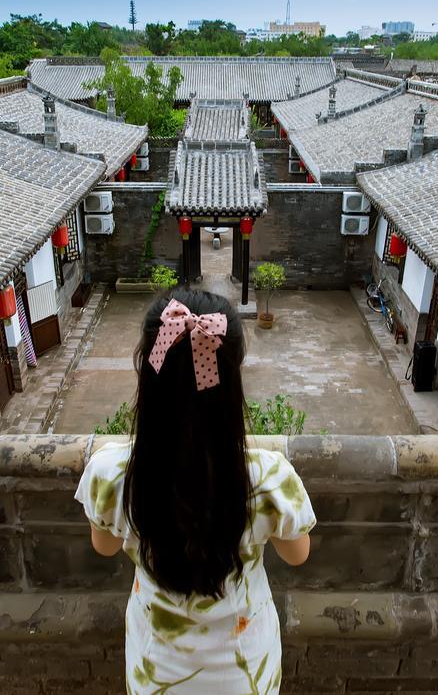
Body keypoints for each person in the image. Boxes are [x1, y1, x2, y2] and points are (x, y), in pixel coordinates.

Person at [76, 289, 315, 693]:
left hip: (158, 667)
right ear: (233, 376)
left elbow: (104, 547)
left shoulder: (113, 473)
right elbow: (298, 554)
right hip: (245, 670)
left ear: (149, 375)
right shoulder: (268, 477)